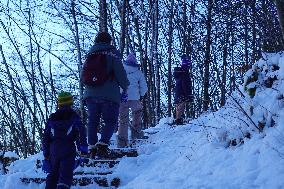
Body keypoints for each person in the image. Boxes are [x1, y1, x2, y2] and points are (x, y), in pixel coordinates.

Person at [82, 31, 129, 158]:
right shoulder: (113, 54)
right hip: (109, 96)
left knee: (92, 121)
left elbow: (83, 76)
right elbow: (121, 75)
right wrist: (125, 88)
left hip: (90, 95)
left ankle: (91, 146)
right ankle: (102, 145)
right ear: (109, 42)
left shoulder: (90, 54)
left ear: (96, 41)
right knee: (110, 120)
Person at [42, 91, 88, 189]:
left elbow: (45, 137)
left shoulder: (52, 118)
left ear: (59, 104)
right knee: (65, 176)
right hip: (68, 148)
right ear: (71, 102)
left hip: (53, 150)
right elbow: (81, 134)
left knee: (53, 174)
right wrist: (83, 150)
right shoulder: (74, 117)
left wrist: (46, 153)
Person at [117, 53, 148, 148]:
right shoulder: (138, 72)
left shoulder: (120, 70)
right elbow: (144, 87)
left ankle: (122, 142)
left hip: (123, 97)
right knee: (137, 113)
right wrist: (141, 95)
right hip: (135, 98)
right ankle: (136, 133)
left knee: (123, 120)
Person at [173, 54, 193, 125]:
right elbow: (185, 84)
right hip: (182, 91)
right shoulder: (185, 73)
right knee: (181, 105)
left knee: (179, 105)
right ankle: (178, 120)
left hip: (178, 91)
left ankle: (178, 119)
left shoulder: (180, 72)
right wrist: (188, 94)